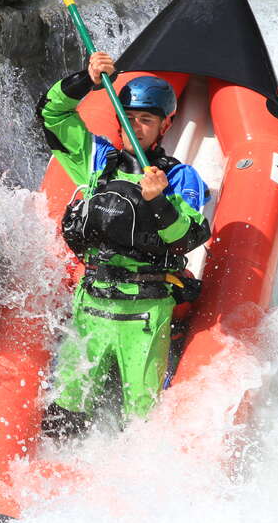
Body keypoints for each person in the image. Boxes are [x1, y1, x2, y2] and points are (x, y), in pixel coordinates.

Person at [40, 51, 211, 436]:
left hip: (146, 312)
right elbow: (52, 115)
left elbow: (186, 237)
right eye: (129, 119)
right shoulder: (97, 160)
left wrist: (160, 202)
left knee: (143, 420)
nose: (136, 126)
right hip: (92, 306)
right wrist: (86, 81)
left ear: (165, 124)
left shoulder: (181, 178)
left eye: (146, 120)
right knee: (63, 416)